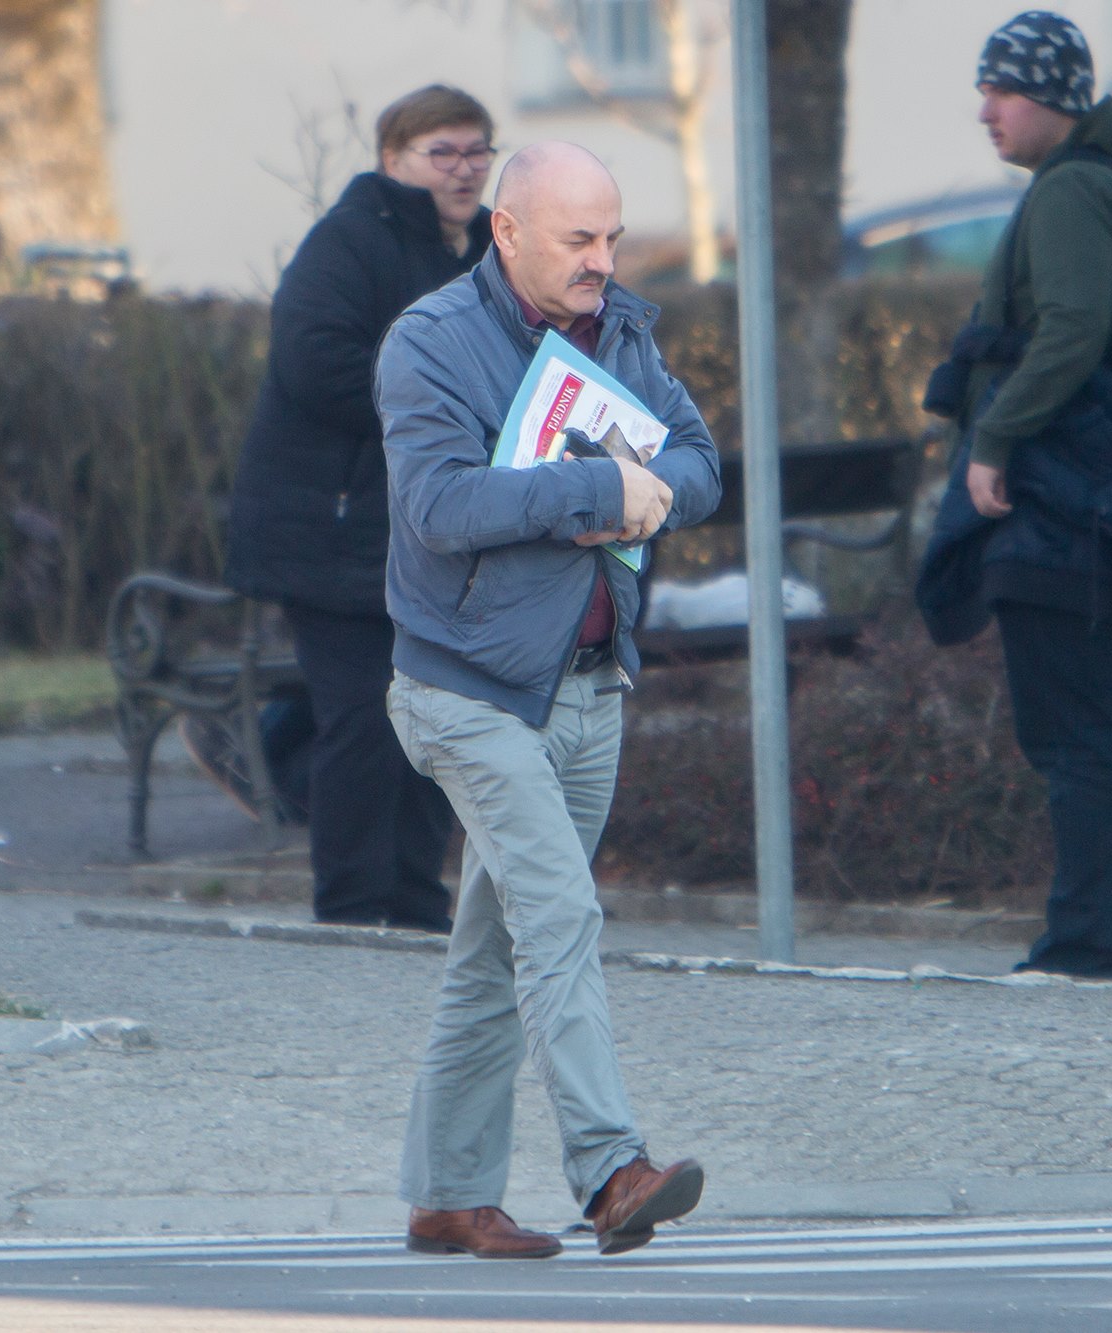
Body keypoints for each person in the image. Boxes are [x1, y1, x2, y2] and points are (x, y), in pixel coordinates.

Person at [376, 141, 721, 1259]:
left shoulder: (619, 330)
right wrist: (594, 487)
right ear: (507, 231)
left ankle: (446, 1196)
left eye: (611, 237)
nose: (602, 261)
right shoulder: (430, 340)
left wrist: (648, 493)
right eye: (578, 239)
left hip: (588, 689)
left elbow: (699, 459)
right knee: (561, 912)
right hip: (465, 692)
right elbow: (438, 507)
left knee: (496, 946)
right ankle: (612, 1171)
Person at [916, 12, 1112, 983]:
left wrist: (994, 441)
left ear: (1050, 97)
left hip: (1061, 501)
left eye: (1000, 90)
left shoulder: (1073, 190)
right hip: (1104, 499)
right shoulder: (1109, 181)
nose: (985, 111)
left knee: (1074, 734)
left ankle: (1083, 948)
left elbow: (1071, 329)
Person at [212, 85, 501, 933]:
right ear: (393, 159)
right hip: (333, 531)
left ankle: (413, 903)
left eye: (477, 151)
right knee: (364, 717)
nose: (464, 169)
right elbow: (315, 363)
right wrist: (449, 405)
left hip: (438, 534)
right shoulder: (347, 242)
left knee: (435, 718)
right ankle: (349, 908)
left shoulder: (494, 248)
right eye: (442, 153)